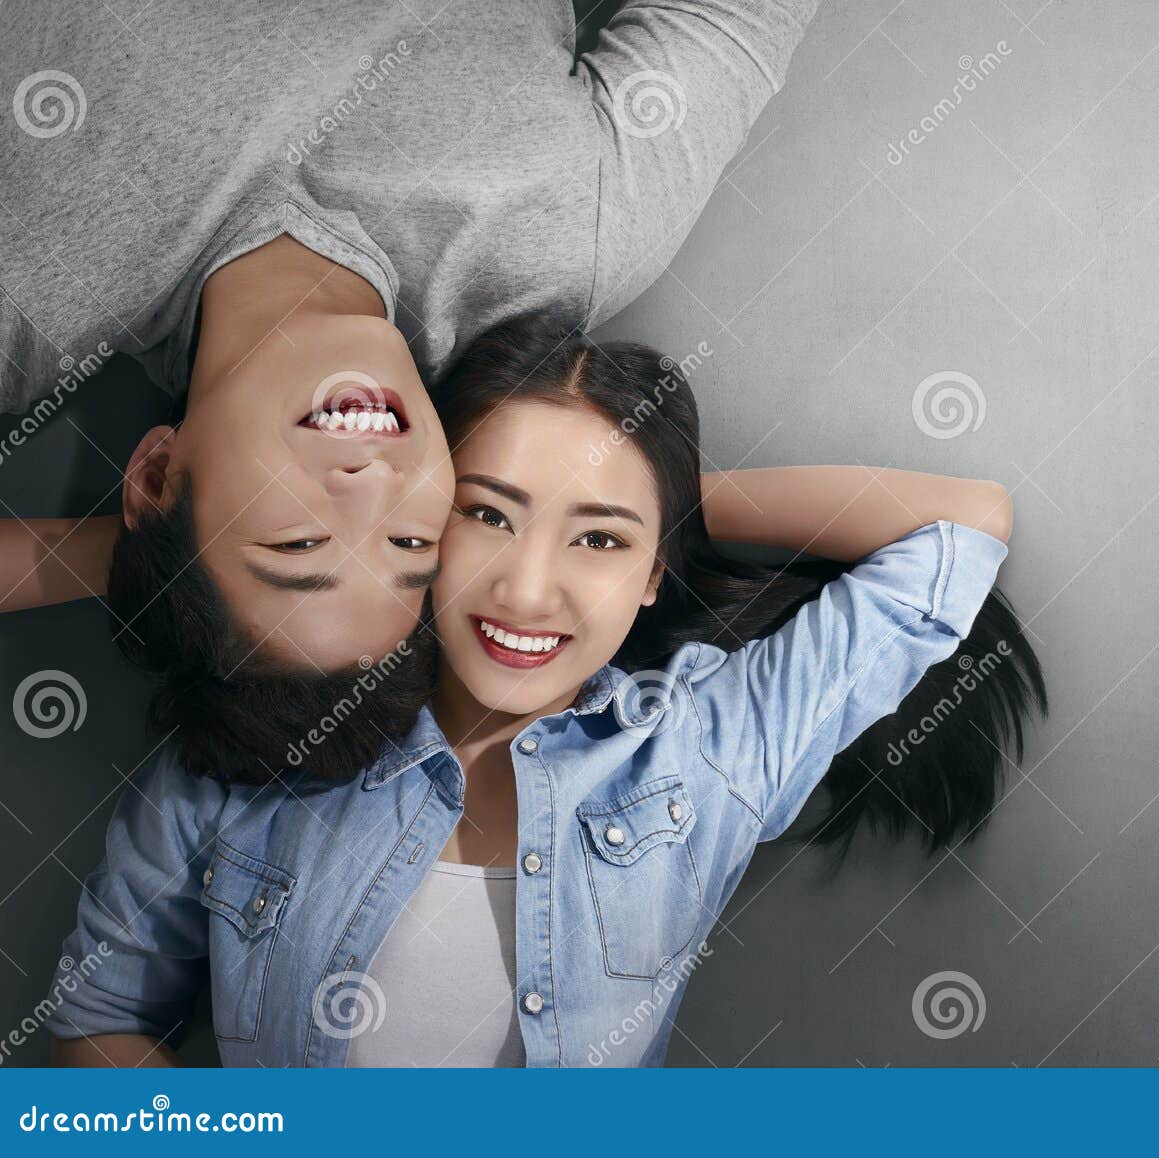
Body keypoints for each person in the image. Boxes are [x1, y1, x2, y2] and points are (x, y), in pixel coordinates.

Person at [43, 318, 1048, 1066]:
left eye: (601, 539)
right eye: (486, 515)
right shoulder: (268, 721)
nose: (527, 589)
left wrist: (668, 494)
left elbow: (961, 526)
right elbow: (98, 1016)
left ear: (656, 571)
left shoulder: (707, 753)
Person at [0, 0, 820, 779]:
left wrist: (152, 561)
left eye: (298, 546)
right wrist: (647, 508)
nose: (374, 487)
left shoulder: (31, 295)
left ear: (151, 474)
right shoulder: (573, 234)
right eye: (409, 546)